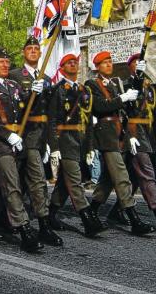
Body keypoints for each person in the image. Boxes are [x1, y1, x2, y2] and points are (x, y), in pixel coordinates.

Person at [0, 48, 43, 252]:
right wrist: (8, 135)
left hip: (17, 140)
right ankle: (24, 228)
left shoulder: (14, 85)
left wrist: (35, 93)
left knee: (1, 183)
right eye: (1, 61)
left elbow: (27, 108)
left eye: (8, 61)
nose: (6, 65)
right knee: (12, 184)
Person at [84, 51, 154, 235]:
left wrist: (138, 76)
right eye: (104, 62)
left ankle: (91, 211)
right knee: (122, 176)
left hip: (119, 133)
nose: (108, 65)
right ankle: (133, 219)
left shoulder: (116, 83)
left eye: (110, 62)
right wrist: (121, 98)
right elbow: (99, 106)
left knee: (108, 179)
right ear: (97, 67)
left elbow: (131, 101)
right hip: (105, 134)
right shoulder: (91, 84)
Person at [110, 54, 156, 233]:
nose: (139, 65)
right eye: (135, 63)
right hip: (133, 135)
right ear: (130, 66)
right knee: (147, 173)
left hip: (147, 135)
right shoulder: (125, 85)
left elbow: (155, 114)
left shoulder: (149, 88)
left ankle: (114, 210)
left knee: (133, 178)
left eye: (141, 63)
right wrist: (129, 135)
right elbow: (124, 109)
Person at [9, 36, 62, 247]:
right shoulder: (14, 76)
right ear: (24, 53)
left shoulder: (47, 79)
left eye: (36, 48)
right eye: (29, 48)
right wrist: (27, 94)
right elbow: (11, 106)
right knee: (38, 180)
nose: (33, 51)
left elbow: (50, 115)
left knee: (18, 181)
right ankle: (43, 224)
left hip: (40, 136)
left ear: (40, 54)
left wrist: (52, 143)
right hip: (24, 134)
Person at [47, 53, 104, 237]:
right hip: (64, 139)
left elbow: (87, 121)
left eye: (75, 62)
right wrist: (54, 147)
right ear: (62, 67)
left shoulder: (83, 90)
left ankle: (50, 214)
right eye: (68, 63)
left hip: (79, 139)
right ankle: (87, 219)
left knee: (65, 183)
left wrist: (90, 147)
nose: (73, 65)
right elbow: (52, 120)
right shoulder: (58, 89)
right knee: (75, 179)